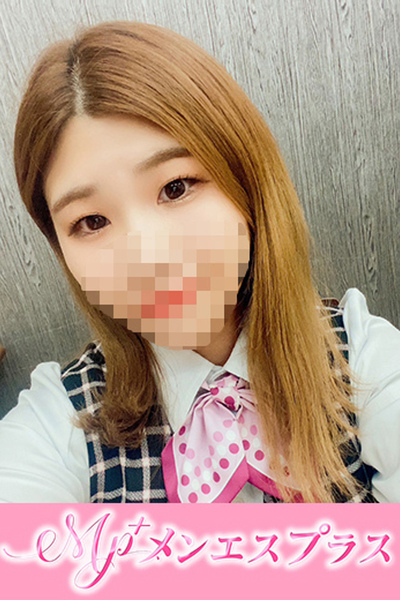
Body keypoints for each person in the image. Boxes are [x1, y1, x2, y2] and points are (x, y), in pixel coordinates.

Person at [1, 20, 399, 503]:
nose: (148, 260)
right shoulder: (59, 420)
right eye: (91, 221)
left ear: (246, 184)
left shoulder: (361, 357)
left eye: (176, 187)